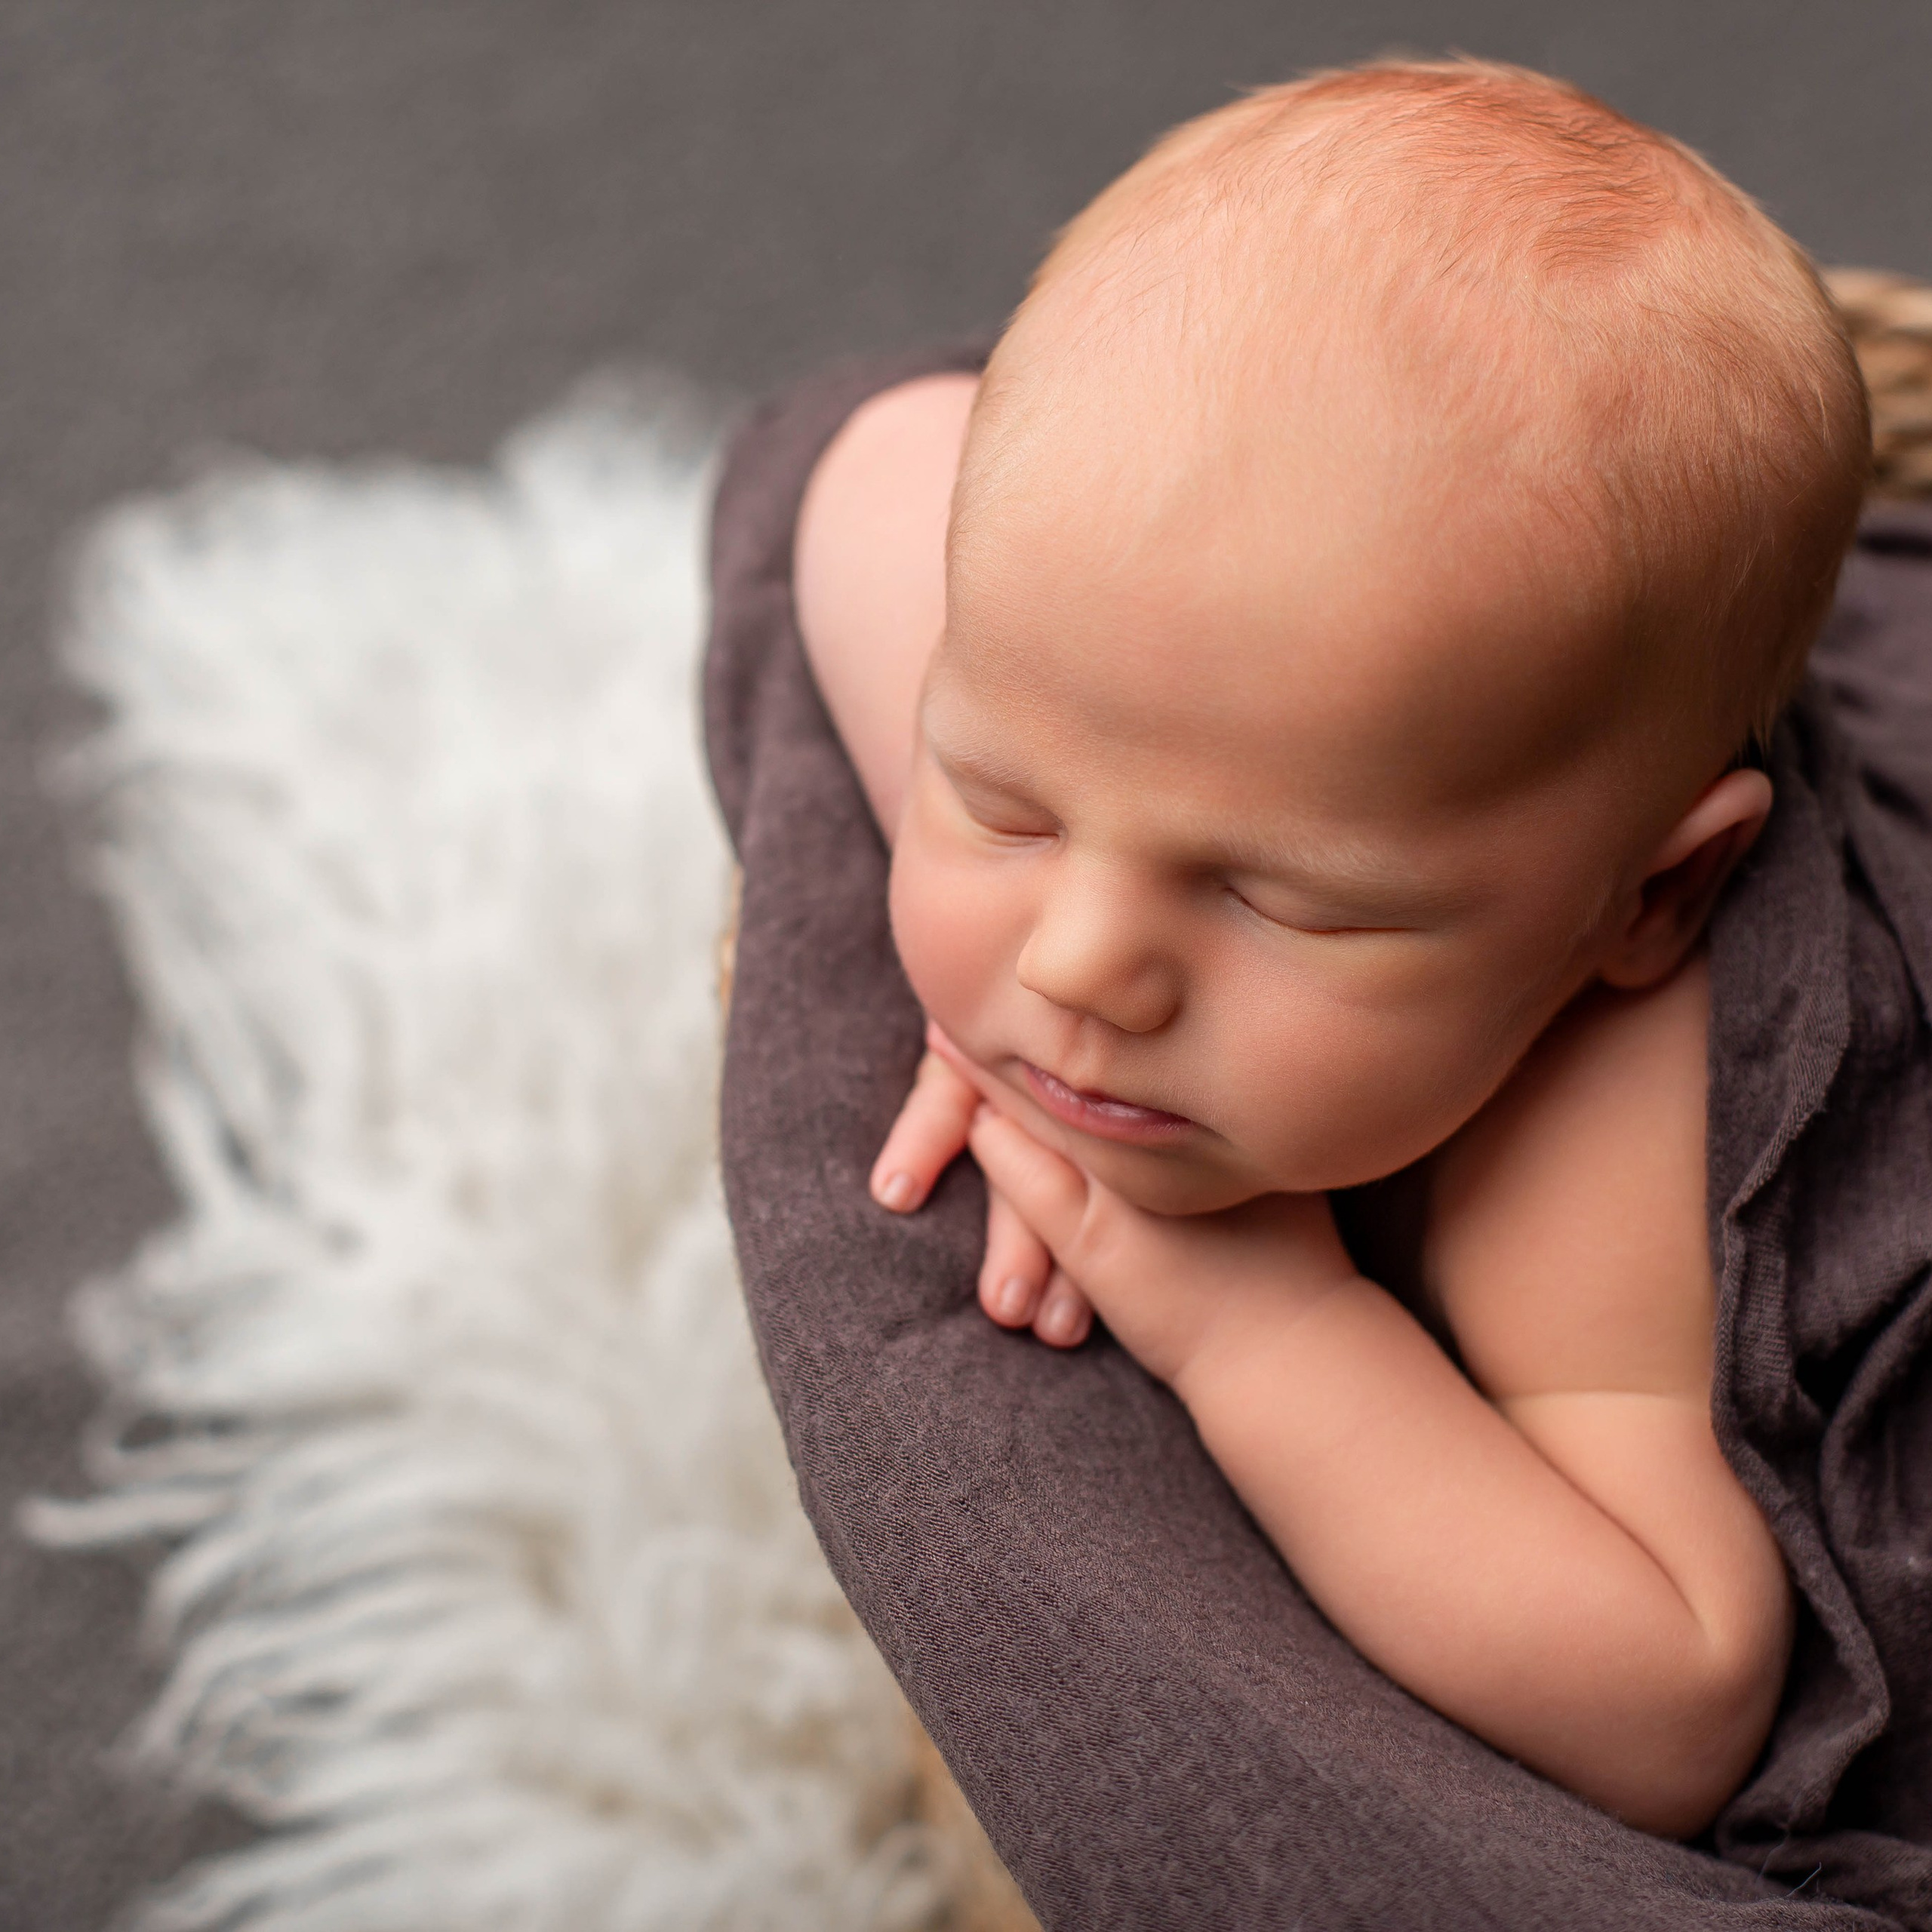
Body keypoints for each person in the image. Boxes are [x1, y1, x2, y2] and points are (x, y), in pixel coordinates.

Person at [789, 58, 1870, 1840]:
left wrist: (1259, 1324)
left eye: (1281, 899)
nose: (1076, 963)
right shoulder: (1102, 642)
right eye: (1003, 800)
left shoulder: (1595, 1084)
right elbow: (868, 466)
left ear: (1639, 901)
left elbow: (1674, 1692)